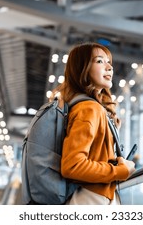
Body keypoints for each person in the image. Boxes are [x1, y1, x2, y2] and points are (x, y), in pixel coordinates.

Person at [53, 42, 136, 205]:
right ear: (82, 69)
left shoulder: (88, 107)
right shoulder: (89, 108)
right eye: (99, 61)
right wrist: (120, 171)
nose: (109, 67)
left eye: (109, 62)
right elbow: (73, 165)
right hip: (91, 200)